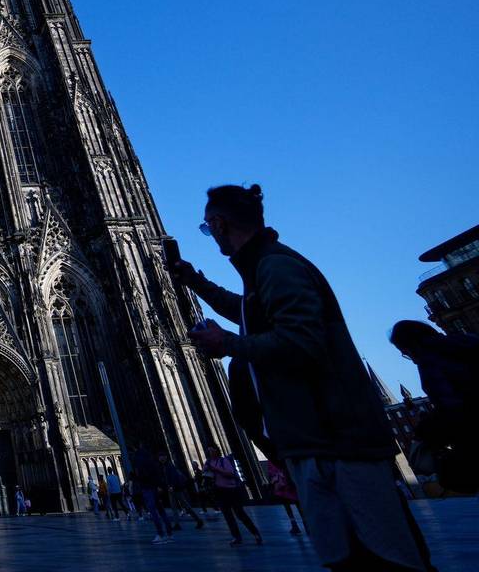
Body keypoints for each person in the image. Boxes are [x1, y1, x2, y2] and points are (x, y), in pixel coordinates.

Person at [180, 184, 432, 571]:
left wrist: (228, 343)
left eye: (207, 228)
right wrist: (195, 282)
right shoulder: (265, 266)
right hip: (319, 441)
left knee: (384, 557)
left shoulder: (276, 266)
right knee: (351, 556)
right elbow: (249, 310)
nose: (210, 235)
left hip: (336, 442)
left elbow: (301, 343)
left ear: (219, 224)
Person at [390, 320, 479, 494]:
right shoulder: (468, 342)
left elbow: (451, 406)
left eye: (404, 351)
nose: (407, 356)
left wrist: (426, 429)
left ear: (412, 345)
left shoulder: (430, 360)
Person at [204, 445, 262, 546]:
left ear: (217, 450)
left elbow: (230, 473)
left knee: (240, 513)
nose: (211, 452)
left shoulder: (224, 461)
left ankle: (255, 533)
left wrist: (216, 469)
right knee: (228, 516)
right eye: (209, 451)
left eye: (212, 450)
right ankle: (236, 537)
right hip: (219, 491)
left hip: (231, 490)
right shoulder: (208, 463)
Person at [132, 446, 174, 544]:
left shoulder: (140, 462)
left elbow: (141, 476)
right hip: (155, 488)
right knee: (161, 511)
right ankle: (170, 534)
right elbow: (158, 475)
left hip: (147, 488)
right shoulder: (153, 461)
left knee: (153, 512)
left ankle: (161, 534)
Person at [161, 453, 204, 529]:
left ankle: (198, 520)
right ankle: (177, 524)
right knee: (175, 507)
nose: (160, 459)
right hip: (172, 489)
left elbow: (173, 477)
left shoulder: (169, 465)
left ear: (165, 457)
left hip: (175, 489)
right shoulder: (165, 466)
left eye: (162, 457)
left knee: (184, 506)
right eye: (160, 457)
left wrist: (172, 486)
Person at [268, 460, 305, 536]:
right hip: (289, 482)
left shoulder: (271, 461)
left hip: (281, 486)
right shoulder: (283, 458)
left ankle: (294, 524)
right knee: (298, 504)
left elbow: (271, 473)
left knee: (287, 506)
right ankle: (305, 523)